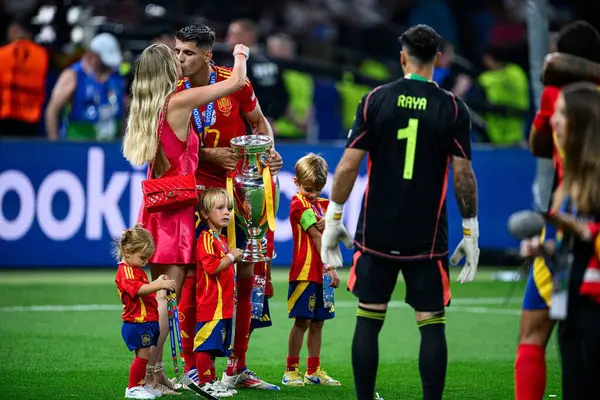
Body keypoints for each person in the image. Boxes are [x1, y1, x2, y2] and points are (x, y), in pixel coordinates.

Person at [320, 25, 479, 400]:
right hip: (427, 235)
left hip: (377, 231)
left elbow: (346, 167)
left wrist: (334, 219)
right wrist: (470, 231)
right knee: (431, 323)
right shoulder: (453, 108)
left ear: (403, 57)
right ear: (437, 60)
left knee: (368, 318)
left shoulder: (376, 99)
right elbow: (463, 175)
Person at [121, 41, 250, 394]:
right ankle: (144, 378)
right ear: (166, 70)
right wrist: (240, 54)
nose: (180, 61)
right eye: (174, 58)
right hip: (176, 214)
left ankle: (156, 374)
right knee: (166, 300)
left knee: (160, 297)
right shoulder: (177, 102)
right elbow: (236, 83)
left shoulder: (147, 108)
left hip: (155, 210)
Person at [173, 24, 281, 391]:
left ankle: (237, 365)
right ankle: (191, 367)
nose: (180, 59)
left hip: (237, 191)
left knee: (246, 271)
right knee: (191, 275)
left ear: (207, 55)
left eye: (187, 52)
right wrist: (206, 153)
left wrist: (266, 150)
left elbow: (259, 123)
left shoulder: (235, 84)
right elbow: (165, 145)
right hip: (193, 191)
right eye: (177, 51)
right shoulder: (172, 88)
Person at [515, 20, 600, 400]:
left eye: (561, 117)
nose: (556, 123)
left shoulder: (555, 94)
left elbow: (538, 144)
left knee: (541, 333)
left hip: (576, 242)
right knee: (572, 338)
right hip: (566, 243)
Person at [282, 153, 341, 387]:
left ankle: (314, 370)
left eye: (318, 189)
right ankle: (291, 371)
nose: (313, 194)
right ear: (296, 183)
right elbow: (316, 236)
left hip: (321, 276)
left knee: (318, 322)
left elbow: (336, 224)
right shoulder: (298, 203)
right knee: (302, 322)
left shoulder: (322, 205)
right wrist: (331, 268)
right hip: (305, 273)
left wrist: (333, 222)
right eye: (308, 189)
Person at [114, 226, 177, 399]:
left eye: (148, 258)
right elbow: (139, 289)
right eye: (143, 257)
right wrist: (160, 285)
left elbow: (145, 288)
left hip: (145, 320)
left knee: (146, 354)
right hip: (136, 321)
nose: (146, 262)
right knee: (142, 356)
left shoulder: (135, 269)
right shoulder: (125, 271)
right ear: (127, 252)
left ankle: (141, 384)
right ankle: (133, 387)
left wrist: (156, 281)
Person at [194, 188, 243, 398]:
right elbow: (212, 267)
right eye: (220, 208)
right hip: (210, 304)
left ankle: (212, 380)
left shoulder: (222, 240)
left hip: (222, 306)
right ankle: (204, 383)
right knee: (206, 345)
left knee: (214, 347)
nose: (226, 213)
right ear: (205, 213)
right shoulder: (206, 239)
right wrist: (231, 257)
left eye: (229, 209)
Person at [45, 33, 126, 141]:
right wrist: (55, 144)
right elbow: (52, 110)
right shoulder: (73, 75)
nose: (109, 67)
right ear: (93, 55)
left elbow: (124, 111)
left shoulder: (116, 76)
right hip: (78, 145)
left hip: (110, 144)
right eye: (105, 63)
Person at [0, 17, 48, 138]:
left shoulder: (2, 53)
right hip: (32, 116)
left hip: (6, 114)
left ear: (15, 30)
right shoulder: (42, 55)